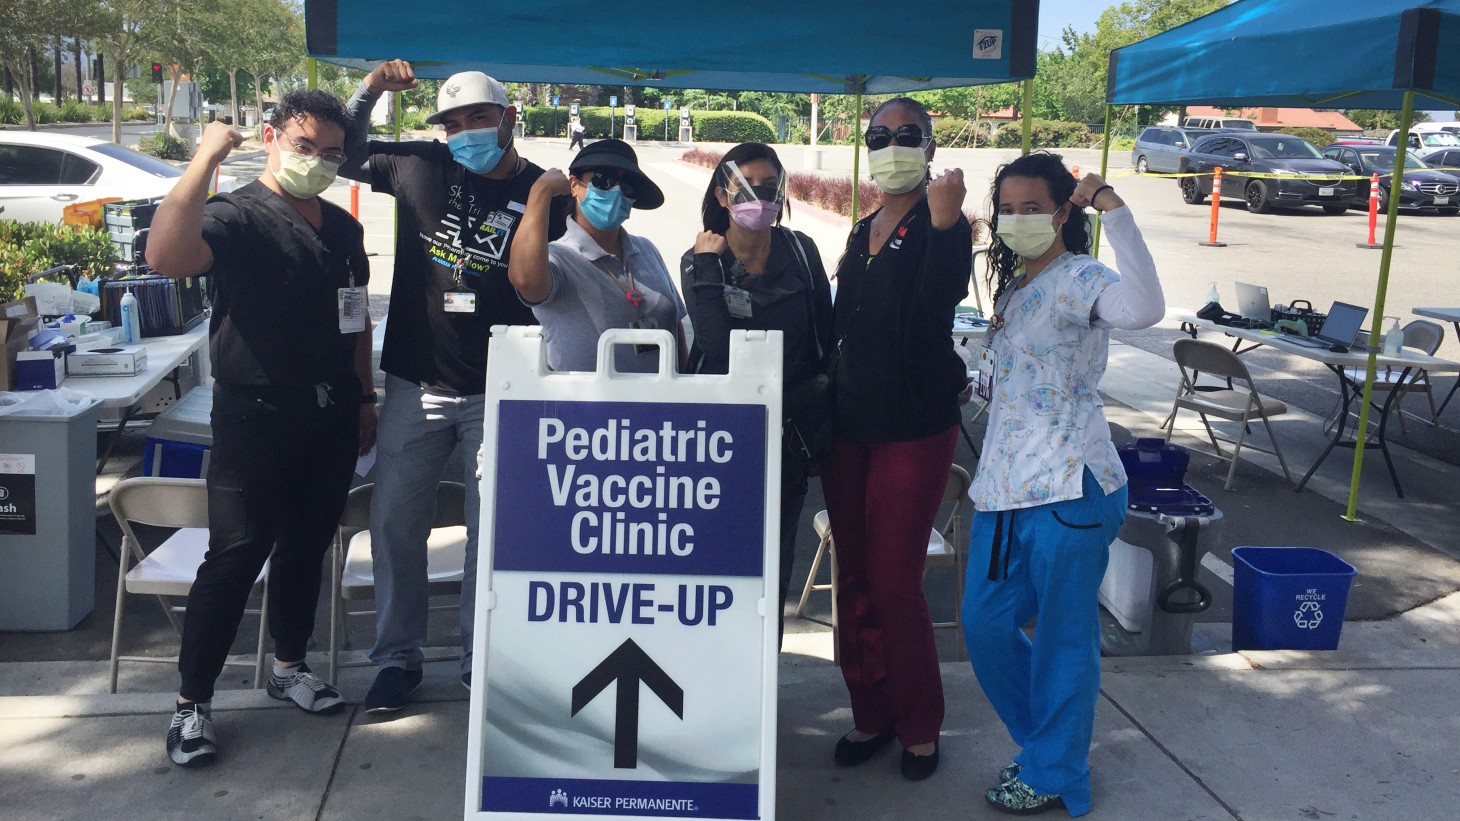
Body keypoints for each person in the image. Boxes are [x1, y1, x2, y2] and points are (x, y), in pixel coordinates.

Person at [145, 92, 375, 767]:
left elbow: (354, 316)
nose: (319, 162)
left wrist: (364, 397)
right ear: (272, 139)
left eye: (332, 153)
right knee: (237, 554)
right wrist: (205, 159)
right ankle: (192, 705)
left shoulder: (341, 228)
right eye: (306, 147)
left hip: (330, 412)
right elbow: (165, 256)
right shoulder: (236, 215)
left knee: (307, 546)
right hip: (254, 415)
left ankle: (290, 665)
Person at [339, 60, 570, 711]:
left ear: (509, 118)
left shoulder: (543, 192)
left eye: (479, 118)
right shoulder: (419, 165)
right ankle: (397, 657)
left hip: (503, 387)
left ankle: (480, 655)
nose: (465, 132)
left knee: (491, 530)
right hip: (416, 383)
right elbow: (343, 154)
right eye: (454, 123)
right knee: (394, 523)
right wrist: (370, 92)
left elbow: (573, 268)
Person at [963, 152, 1163, 816]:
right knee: (984, 624)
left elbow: (1144, 307)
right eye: (1008, 209)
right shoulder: (1017, 289)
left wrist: (1115, 207)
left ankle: (1054, 768)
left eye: (1033, 207)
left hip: (1072, 487)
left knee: (1062, 637)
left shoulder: (1082, 278)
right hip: (1004, 489)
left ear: (1062, 212)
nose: (1019, 220)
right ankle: (1046, 741)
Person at [820, 97, 971, 782]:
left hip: (913, 428)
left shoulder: (943, 224)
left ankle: (918, 722)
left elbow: (937, 300)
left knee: (894, 581)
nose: (892, 145)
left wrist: (944, 221)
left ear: (931, 146)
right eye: (879, 135)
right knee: (852, 578)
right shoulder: (862, 230)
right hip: (849, 428)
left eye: (907, 135)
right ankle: (871, 710)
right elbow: (841, 320)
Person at [678, 143, 832, 642]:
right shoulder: (701, 258)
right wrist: (707, 270)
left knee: (776, 563)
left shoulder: (801, 252)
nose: (761, 198)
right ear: (723, 194)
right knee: (720, 559)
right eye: (748, 188)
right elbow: (716, 348)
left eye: (771, 188)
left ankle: (765, 670)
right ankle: (715, 662)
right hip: (722, 439)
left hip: (790, 436)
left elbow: (824, 338)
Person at [509, 139, 686, 372]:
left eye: (628, 187)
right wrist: (540, 192)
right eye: (603, 180)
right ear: (574, 185)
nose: (615, 191)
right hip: (586, 406)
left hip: (661, 403)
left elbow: (675, 326)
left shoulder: (647, 249)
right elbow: (526, 280)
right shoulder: (559, 257)